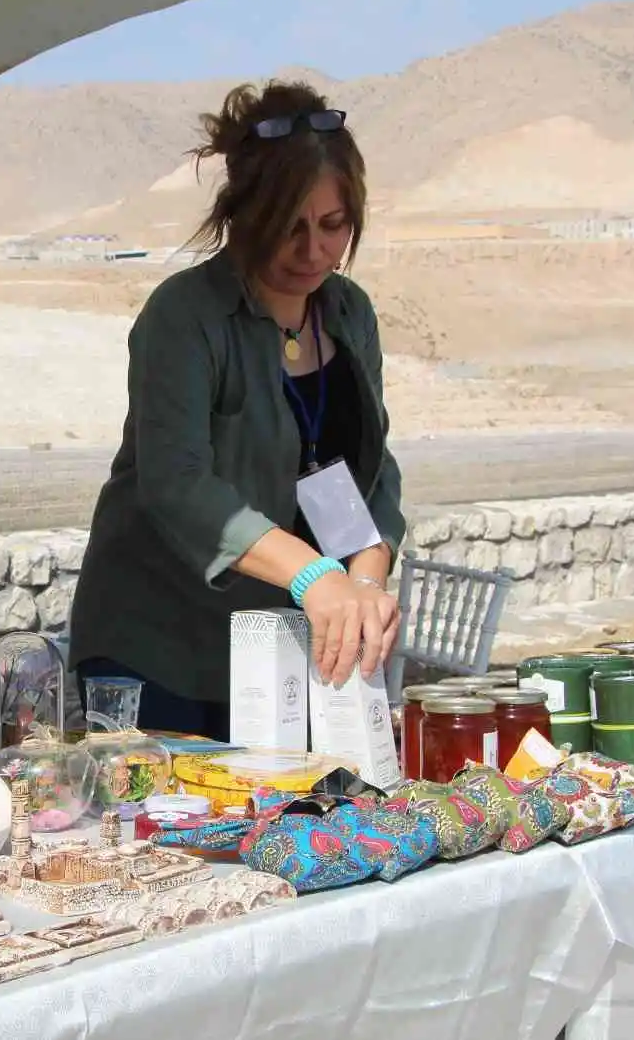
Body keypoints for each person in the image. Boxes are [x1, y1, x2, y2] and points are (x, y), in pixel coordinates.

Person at [69, 80, 406, 738]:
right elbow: (178, 481)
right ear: (243, 212)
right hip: (159, 649)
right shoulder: (185, 316)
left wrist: (365, 582)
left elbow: (359, 470)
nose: (313, 251)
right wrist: (313, 577)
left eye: (333, 226)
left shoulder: (347, 313)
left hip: (278, 648)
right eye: (289, 228)